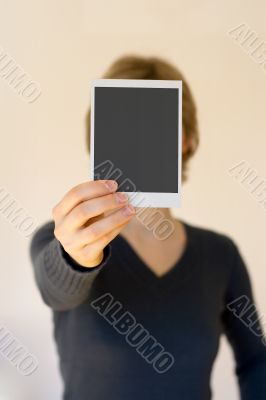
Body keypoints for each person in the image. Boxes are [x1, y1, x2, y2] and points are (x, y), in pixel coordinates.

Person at [30, 55, 266, 400]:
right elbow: (56, 287)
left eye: (156, 125)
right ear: (96, 137)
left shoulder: (220, 255)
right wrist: (75, 258)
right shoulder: (61, 237)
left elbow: (256, 361)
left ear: (184, 139)